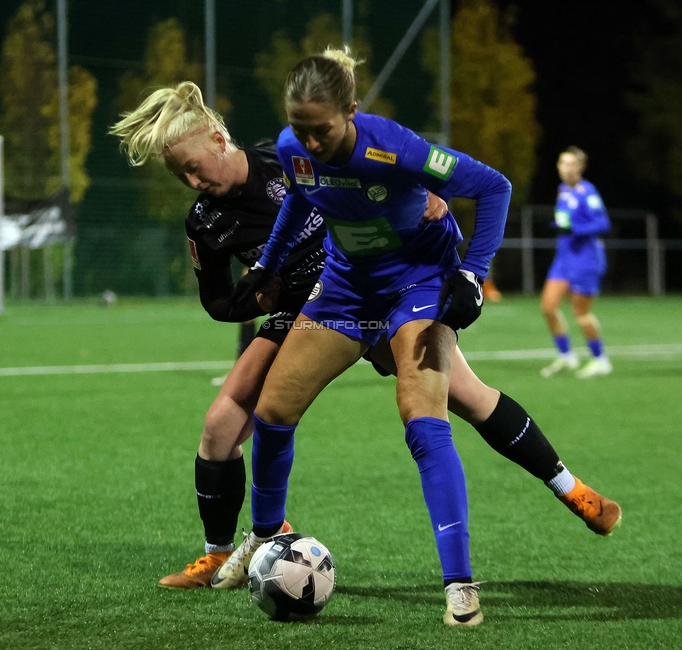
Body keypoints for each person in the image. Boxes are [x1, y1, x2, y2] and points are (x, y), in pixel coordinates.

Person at [110, 81, 621, 619]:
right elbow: (226, 291)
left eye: (193, 166)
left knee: (462, 401)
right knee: (232, 421)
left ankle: (565, 492)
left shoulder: (328, 152)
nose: (192, 181)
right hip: (319, 302)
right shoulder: (228, 203)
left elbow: (462, 182)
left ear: (218, 138)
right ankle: (236, 548)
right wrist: (267, 279)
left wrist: (442, 228)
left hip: (396, 285)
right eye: (179, 175)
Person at [539, 146, 612, 378]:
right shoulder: (563, 190)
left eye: (571, 164)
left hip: (585, 260)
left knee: (581, 313)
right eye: (562, 163)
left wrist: (574, 229)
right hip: (564, 259)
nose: (565, 168)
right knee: (548, 307)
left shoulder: (587, 192)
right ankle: (566, 356)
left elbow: (603, 224)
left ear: (580, 167)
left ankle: (600, 360)